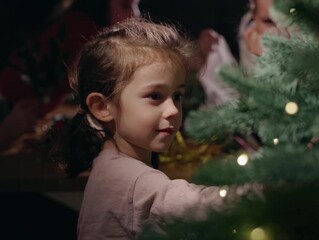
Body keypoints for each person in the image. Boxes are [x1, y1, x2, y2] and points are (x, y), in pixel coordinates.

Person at [48, 17, 262, 239]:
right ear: (102, 107)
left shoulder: (111, 164)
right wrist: (277, 184)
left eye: (177, 96)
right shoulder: (130, 179)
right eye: (155, 96)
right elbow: (205, 207)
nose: (173, 110)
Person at [0, 0, 141, 149]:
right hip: (12, 107)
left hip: (25, 112)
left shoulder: (81, 25)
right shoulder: (84, 30)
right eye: (125, 5)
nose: (135, 14)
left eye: (136, 4)